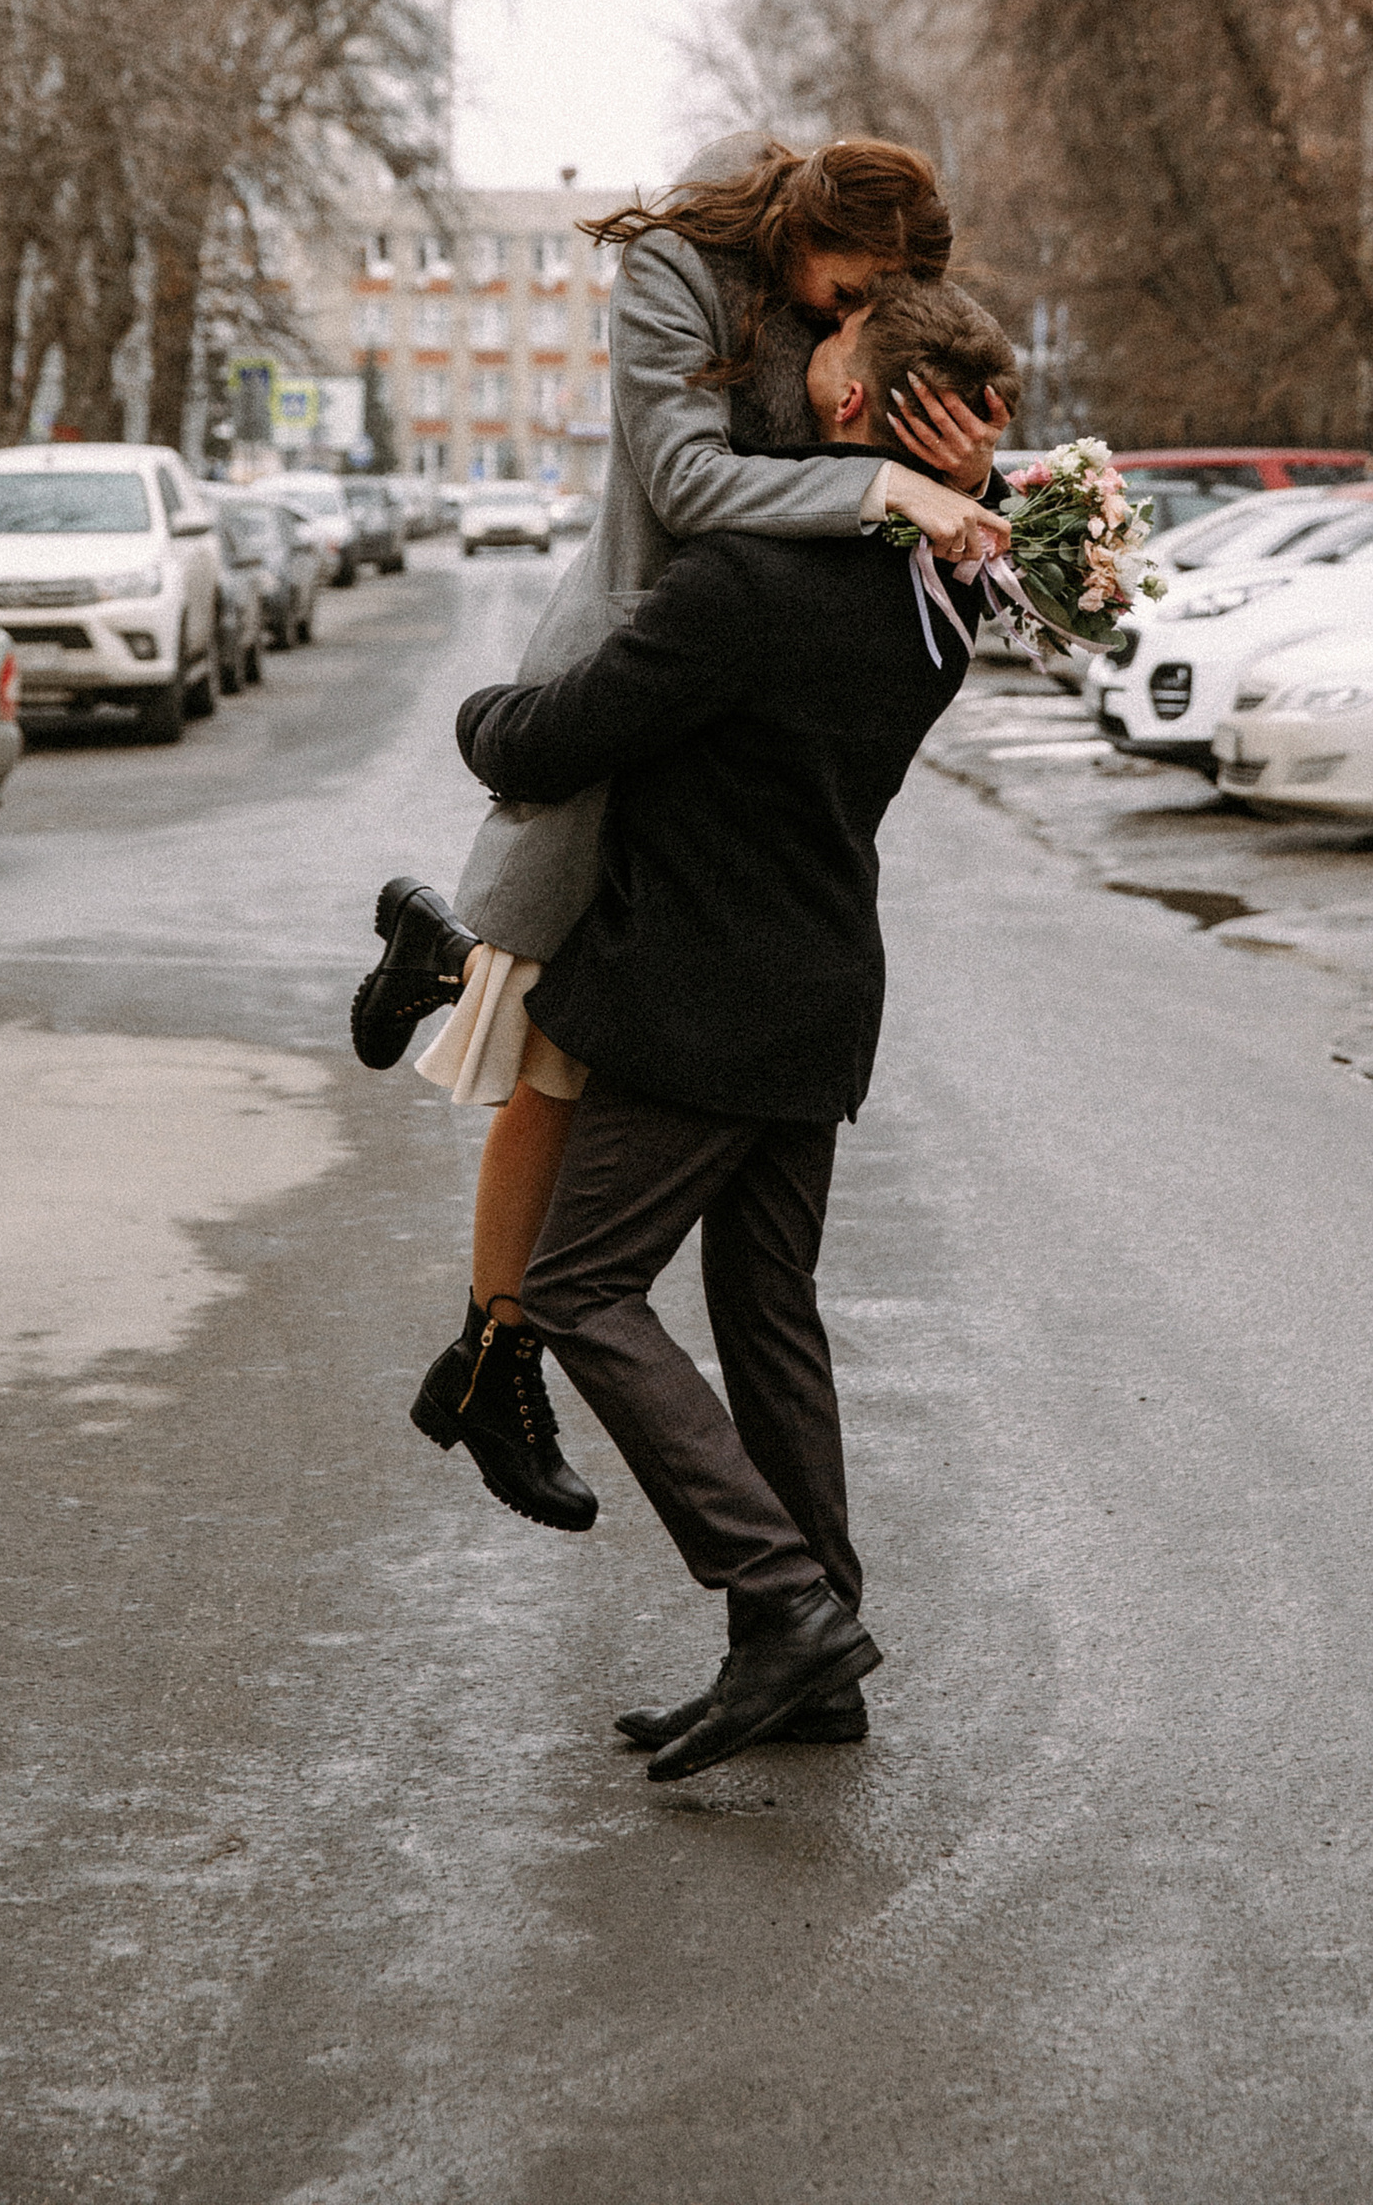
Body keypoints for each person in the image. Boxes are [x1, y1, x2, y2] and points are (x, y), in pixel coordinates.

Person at [353, 137, 1011, 1530]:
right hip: (664, 642)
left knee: (562, 1030)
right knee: (554, 1031)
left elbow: (921, 522)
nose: (853, 319)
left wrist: (977, 485)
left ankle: (445, 970)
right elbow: (690, 484)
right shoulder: (677, 274)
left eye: (878, 305)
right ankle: (496, 1345)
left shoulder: (851, 323)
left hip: (744, 670)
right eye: (852, 290)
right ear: (802, 233)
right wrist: (890, 490)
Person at [439, 277, 1023, 1778]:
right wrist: (967, 491)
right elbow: (995, 550)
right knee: (769, 1320)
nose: (788, 367)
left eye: (817, 353)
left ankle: (782, 1604)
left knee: (576, 1289)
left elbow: (557, 732)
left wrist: (474, 721)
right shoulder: (935, 599)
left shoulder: (748, 586)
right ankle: (812, 1653)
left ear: (846, 403)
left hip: (698, 1008)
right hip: (820, 999)